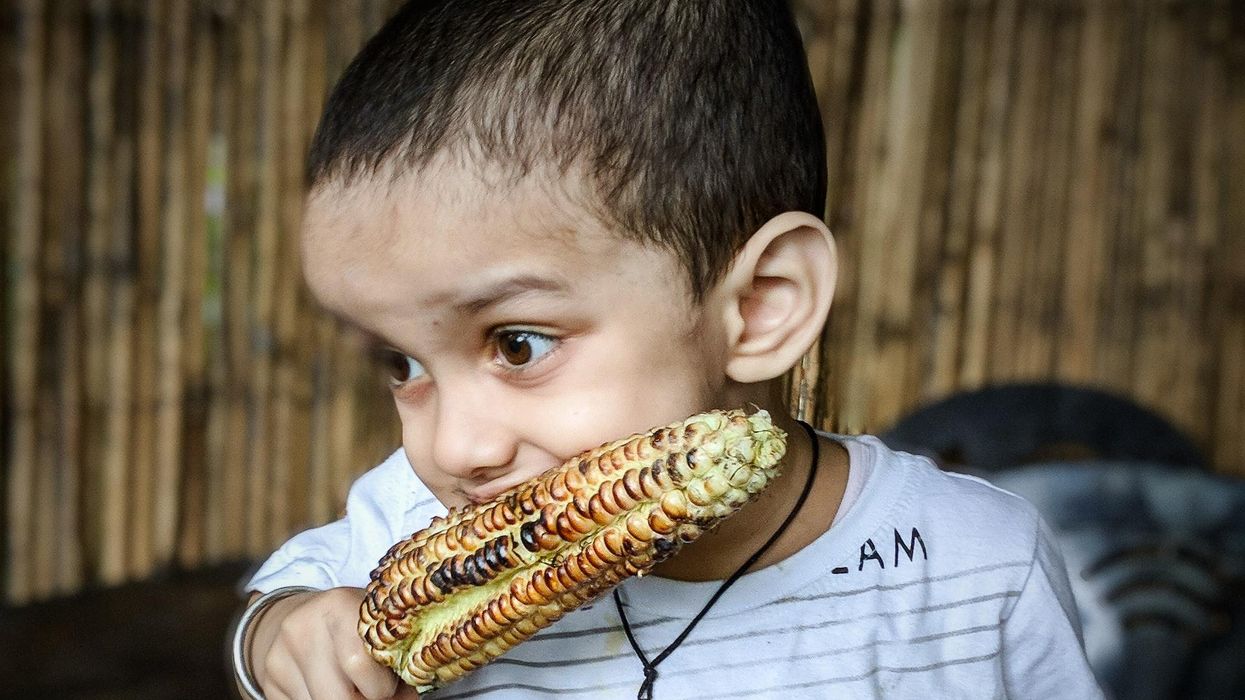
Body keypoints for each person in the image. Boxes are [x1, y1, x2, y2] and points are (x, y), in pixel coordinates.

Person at [232, 1, 1104, 698]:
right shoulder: (407, 518)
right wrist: (284, 633)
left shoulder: (972, 568)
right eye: (403, 365)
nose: (452, 451)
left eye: (518, 343)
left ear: (761, 308)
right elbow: (282, 610)